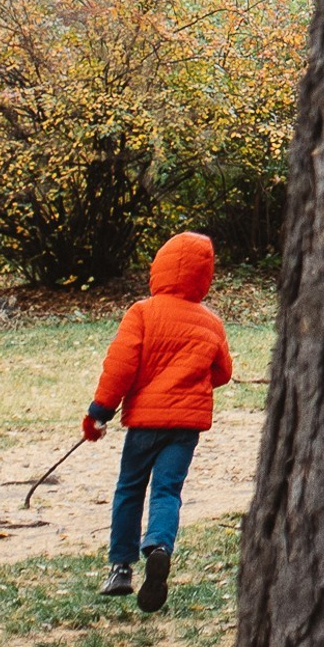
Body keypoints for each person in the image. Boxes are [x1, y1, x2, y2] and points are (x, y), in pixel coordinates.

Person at [83, 231, 233, 612]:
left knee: (130, 489)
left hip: (145, 424)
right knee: (167, 490)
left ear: (160, 268)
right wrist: (192, 378)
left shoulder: (143, 312)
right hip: (185, 427)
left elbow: (121, 366)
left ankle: (120, 568)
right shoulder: (210, 322)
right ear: (205, 276)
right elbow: (223, 372)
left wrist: (99, 411)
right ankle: (160, 546)